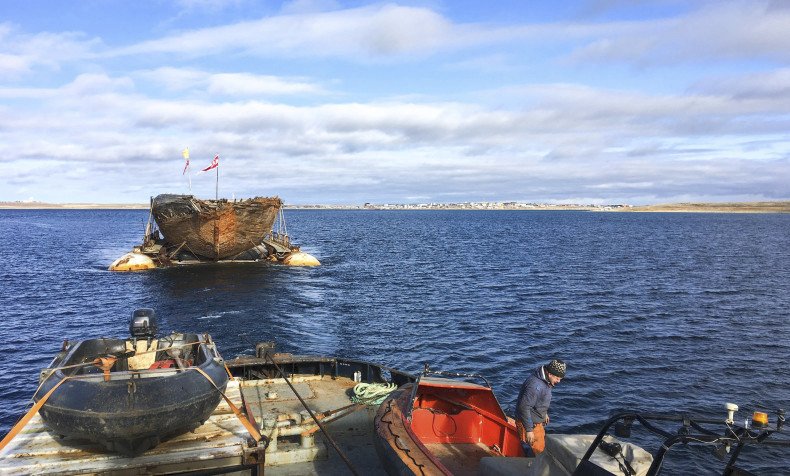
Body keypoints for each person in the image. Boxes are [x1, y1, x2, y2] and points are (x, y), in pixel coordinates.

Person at [515, 359, 566, 456]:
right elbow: (524, 407)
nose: (559, 381)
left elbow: (538, 400)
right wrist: (529, 430)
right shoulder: (536, 386)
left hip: (536, 422)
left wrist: (544, 413)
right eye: (557, 378)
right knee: (536, 453)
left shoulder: (545, 380)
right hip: (530, 425)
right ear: (550, 374)